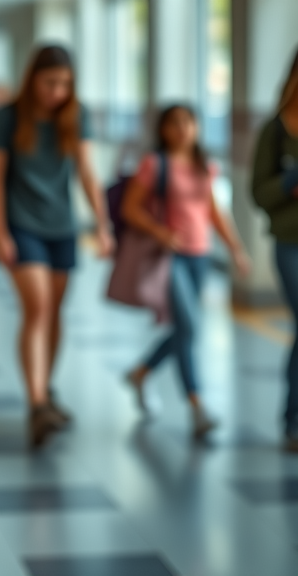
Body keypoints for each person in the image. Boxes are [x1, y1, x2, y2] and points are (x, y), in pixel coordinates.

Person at [0, 45, 114, 449]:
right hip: (22, 226)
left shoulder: (76, 116)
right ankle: (37, 403)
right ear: (33, 79)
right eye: (50, 82)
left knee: (55, 311)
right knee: (37, 308)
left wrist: (103, 224)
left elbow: (88, 173)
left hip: (62, 227)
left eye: (65, 84)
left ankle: (46, 389)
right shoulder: (8, 117)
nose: (58, 91)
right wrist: (0, 233)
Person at [123, 105, 250, 439]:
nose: (182, 129)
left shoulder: (205, 166)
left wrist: (235, 248)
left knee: (184, 329)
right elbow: (129, 207)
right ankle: (197, 406)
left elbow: (213, 211)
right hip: (169, 256)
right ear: (162, 129)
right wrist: (160, 231)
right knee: (190, 327)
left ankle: (141, 371)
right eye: (174, 123)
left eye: (188, 122)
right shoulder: (154, 165)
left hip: (200, 255)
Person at [251, 48, 298, 453]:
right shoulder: (276, 131)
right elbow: (257, 194)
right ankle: (293, 420)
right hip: (290, 243)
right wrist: (288, 184)